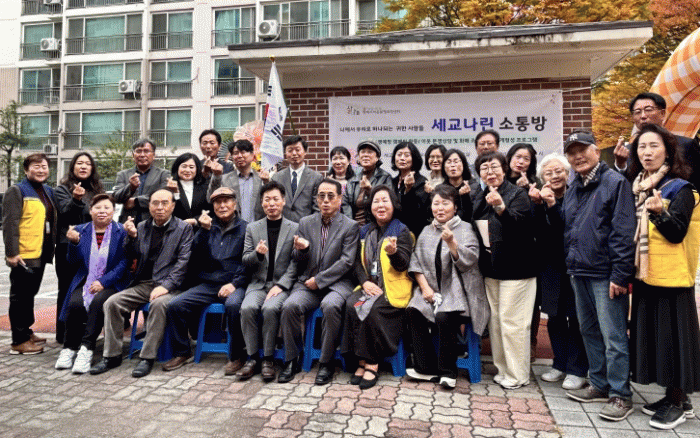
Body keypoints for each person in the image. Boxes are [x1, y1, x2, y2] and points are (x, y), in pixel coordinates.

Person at [625, 124, 700, 429]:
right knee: (658, 340)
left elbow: (677, 232)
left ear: (668, 152)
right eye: (642, 147)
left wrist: (658, 213)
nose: (647, 152)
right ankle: (674, 398)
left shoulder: (680, 189)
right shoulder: (640, 186)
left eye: (654, 146)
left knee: (675, 341)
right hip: (647, 275)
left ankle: (679, 402)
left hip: (673, 279)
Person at [561, 131, 636, 422]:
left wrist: (620, 274)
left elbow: (623, 232)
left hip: (606, 275)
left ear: (595, 151)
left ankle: (620, 394)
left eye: (582, 150)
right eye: (572, 152)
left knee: (613, 336)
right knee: (589, 331)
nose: (577, 156)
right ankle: (599, 383)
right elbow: (570, 229)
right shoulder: (574, 186)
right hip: (578, 270)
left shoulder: (615, 183)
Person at [90, 189, 193, 378]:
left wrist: (166, 286)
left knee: (158, 304)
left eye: (164, 203)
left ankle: (147, 357)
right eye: (155, 203)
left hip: (172, 286)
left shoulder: (183, 228)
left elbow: (183, 263)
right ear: (149, 206)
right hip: (144, 283)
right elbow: (130, 255)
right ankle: (111, 355)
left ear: (172, 206)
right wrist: (130, 237)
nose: (159, 207)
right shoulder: (143, 226)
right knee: (112, 303)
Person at [405, 185, 489, 389]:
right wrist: (425, 288)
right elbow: (415, 261)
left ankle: (448, 372)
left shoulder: (465, 228)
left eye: (445, 203)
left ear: (455, 206)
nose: (440, 208)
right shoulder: (427, 230)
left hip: (458, 292)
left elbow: (469, 261)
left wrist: (452, 242)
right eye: (436, 203)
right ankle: (425, 368)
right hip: (431, 289)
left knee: (444, 316)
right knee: (413, 310)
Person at [278, 179, 360, 385]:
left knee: (331, 306)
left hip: (338, 283)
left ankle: (326, 362)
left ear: (340, 199)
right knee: (289, 306)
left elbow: (347, 261)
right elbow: (296, 258)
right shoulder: (305, 223)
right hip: (308, 282)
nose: (325, 201)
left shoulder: (350, 226)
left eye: (331, 196)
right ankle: (292, 358)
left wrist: (320, 280)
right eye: (321, 196)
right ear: (316, 199)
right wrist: (303, 250)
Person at [162, 187, 248, 375]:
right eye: (218, 202)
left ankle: (237, 355)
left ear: (235, 204)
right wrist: (204, 231)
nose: (222, 206)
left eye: (226, 201)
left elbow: (248, 263)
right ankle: (182, 352)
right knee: (176, 305)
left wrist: (234, 284)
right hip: (209, 284)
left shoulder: (246, 228)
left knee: (234, 306)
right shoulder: (208, 226)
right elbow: (196, 257)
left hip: (235, 283)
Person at [471, 151, 537, 389]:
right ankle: (503, 369)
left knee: (513, 323)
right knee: (497, 322)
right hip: (491, 269)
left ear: (504, 169)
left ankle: (518, 375)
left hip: (517, 269)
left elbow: (522, 227)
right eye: (484, 168)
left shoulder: (517, 194)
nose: (490, 172)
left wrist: (501, 207)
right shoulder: (480, 195)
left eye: (494, 167)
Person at [341, 185, 412, 389]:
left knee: (372, 310)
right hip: (370, 288)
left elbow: (403, 265)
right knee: (352, 305)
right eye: (376, 201)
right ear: (370, 207)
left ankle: (372, 362)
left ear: (393, 204)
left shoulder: (402, 231)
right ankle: (360, 360)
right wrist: (364, 282)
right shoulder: (364, 231)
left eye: (385, 201)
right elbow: (356, 262)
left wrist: (393, 253)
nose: (380, 205)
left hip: (390, 290)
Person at [529, 154, 588, 390]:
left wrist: (553, 205)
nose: (554, 176)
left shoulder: (577, 195)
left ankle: (577, 369)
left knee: (576, 318)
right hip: (550, 267)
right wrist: (538, 205)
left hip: (575, 266)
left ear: (567, 173)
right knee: (554, 318)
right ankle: (559, 363)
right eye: (548, 173)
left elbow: (566, 229)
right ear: (542, 177)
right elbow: (537, 231)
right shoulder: (539, 198)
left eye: (558, 171)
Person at [54, 195, 130, 374]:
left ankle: (86, 349)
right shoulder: (81, 230)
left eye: (106, 208)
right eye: (97, 207)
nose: (102, 211)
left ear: (113, 211)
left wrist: (103, 282)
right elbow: (72, 261)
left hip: (112, 282)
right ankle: (69, 348)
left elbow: (124, 263)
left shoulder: (122, 231)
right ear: (90, 210)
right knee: (75, 304)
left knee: (98, 303)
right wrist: (74, 243)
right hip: (86, 280)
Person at [238, 181, 298, 382]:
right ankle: (252, 358)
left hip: (280, 286)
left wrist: (281, 285)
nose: (271, 204)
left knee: (270, 309)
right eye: (267, 200)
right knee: (247, 308)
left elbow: (296, 263)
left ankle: (268, 359)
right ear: (262, 203)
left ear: (283, 201)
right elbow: (246, 260)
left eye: (275, 199)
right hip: (258, 284)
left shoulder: (295, 228)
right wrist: (258, 254)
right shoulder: (252, 228)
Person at [2, 153, 57, 354]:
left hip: (41, 252)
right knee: (20, 297)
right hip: (24, 253)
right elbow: (10, 223)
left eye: (44, 166)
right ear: (26, 170)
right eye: (36, 166)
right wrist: (12, 253)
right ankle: (18, 341)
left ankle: (26, 331)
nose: (41, 170)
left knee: (29, 295)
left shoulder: (47, 191)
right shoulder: (17, 190)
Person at [54, 152, 104, 343]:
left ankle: (83, 331)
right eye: (79, 163)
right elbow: (65, 213)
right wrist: (75, 199)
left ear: (92, 168)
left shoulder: (96, 191)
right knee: (67, 288)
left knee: (86, 288)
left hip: (92, 247)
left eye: (87, 164)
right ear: (73, 167)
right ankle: (63, 333)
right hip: (68, 247)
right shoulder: (62, 190)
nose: (83, 166)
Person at [614, 92, 700, 191]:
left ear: (662, 114)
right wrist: (620, 165)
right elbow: (621, 188)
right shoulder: (627, 151)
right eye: (637, 112)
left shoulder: (685, 145)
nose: (643, 116)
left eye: (648, 110)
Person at [112, 138, 170, 223]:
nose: (142, 155)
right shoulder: (123, 174)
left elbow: (163, 197)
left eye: (146, 151)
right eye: (138, 151)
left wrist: (136, 201)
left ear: (154, 155)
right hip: (128, 223)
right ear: (133, 155)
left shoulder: (163, 174)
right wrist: (131, 187)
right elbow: (116, 198)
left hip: (154, 222)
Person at [209, 139, 264, 224]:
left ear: (252, 155)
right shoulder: (224, 179)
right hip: (232, 227)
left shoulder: (261, 179)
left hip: (257, 227)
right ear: (232, 157)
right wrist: (216, 176)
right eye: (235, 153)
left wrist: (267, 182)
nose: (239, 156)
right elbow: (210, 198)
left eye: (243, 152)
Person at [271, 135, 324, 222]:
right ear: (285, 153)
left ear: (305, 152)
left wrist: (310, 226)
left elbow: (317, 208)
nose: (294, 153)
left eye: (297, 150)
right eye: (290, 150)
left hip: (306, 226)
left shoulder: (316, 177)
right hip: (282, 226)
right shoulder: (277, 178)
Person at [342, 141, 392, 224]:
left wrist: (370, 191)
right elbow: (345, 204)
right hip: (354, 227)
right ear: (358, 157)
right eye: (363, 152)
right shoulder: (352, 181)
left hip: (376, 225)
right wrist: (351, 225)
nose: (365, 155)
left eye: (370, 152)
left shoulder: (385, 177)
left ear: (377, 158)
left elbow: (388, 203)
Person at [391, 141, 429, 237]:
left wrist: (409, 190)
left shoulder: (421, 181)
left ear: (414, 158)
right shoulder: (392, 181)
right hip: (392, 232)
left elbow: (418, 213)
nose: (402, 158)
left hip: (413, 233)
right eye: (399, 155)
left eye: (407, 155)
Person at [168, 153, 211, 227]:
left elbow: (209, 210)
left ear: (197, 169)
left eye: (191, 167)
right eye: (184, 166)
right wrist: (176, 193)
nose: (187, 170)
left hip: (199, 229)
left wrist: (195, 221)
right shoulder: (169, 186)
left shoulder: (204, 186)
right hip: (175, 229)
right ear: (177, 167)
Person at [437, 149, 472, 222]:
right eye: (449, 162)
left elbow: (472, 216)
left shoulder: (474, 187)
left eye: (456, 161)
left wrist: (465, 197)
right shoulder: (439, 190)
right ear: (444, 167)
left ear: (464, 165)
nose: (452, 165)